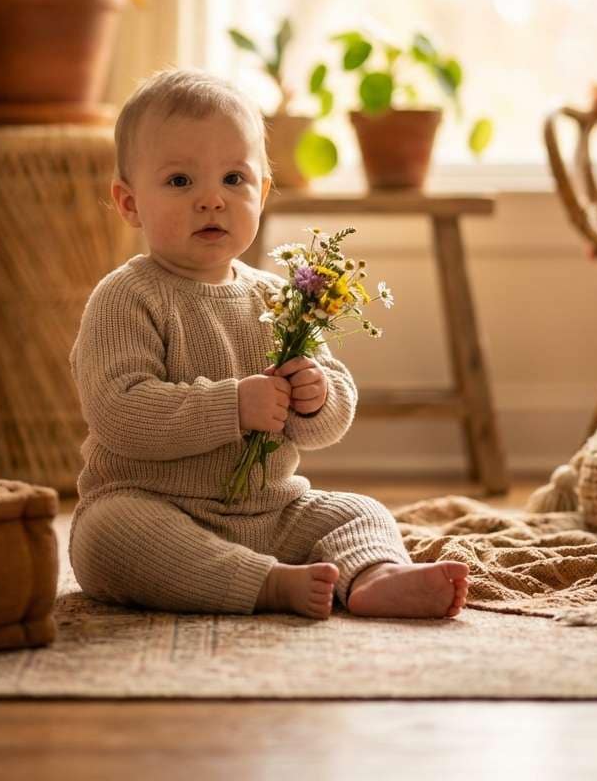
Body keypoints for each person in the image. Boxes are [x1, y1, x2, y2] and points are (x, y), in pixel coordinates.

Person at [69, 67, 469, 620]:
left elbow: (325, 424)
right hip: (156, 506)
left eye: (234, 180)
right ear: (129, 202)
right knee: (108, 536)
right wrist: (231, 406)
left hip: (270, 509)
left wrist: (318, 394)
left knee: (359, 509)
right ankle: (266, 584)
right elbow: (119, 414)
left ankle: (375, 574)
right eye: (181, 181)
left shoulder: (280, 298)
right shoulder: (126, 298)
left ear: (262, 192)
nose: (212, 200)